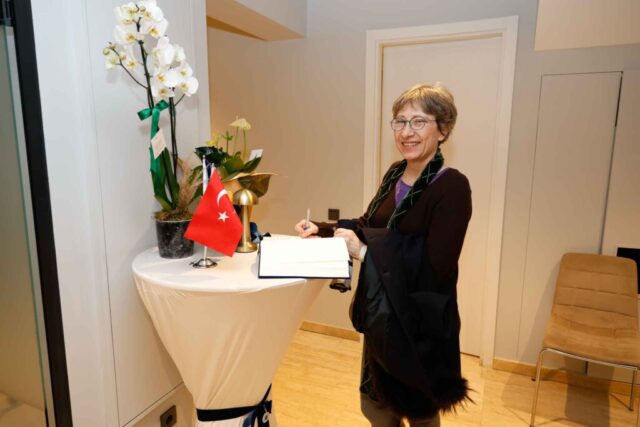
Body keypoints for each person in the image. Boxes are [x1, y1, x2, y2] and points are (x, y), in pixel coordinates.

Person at [295, 83, 472, 427]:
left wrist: (363, 252)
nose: (406, 132)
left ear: (443, 130)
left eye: (419, 122)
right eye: (400, 121)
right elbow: (370, 225)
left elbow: (435, 265)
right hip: (383, 317)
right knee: (376, 409)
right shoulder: (395, 173)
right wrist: (325, 230)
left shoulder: (451, 186)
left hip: (420, 325)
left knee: (421, 415)